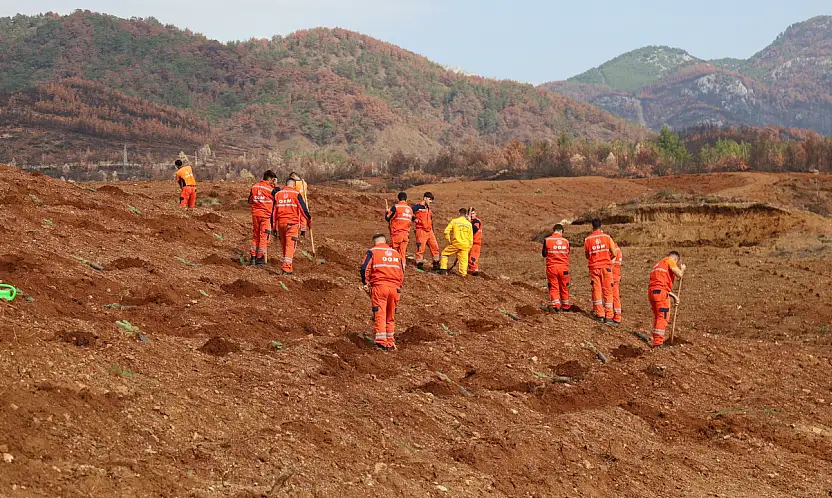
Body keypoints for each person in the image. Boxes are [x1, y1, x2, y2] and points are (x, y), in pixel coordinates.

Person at [360, 233, 404, 351]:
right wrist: (398, 285)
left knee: (380, 313)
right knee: (390, 315)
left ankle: (381, 342)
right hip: (395, 288)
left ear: (375, 242)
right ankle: (390, 341)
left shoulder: (372, 252)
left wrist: (365, 282)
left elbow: (364, 268)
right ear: (385, 241)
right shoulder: (396, 254)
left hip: (380, 287)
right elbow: (401, 272)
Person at [272, 177, 312, 275]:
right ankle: (286, 268)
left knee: (284, 245)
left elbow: (273, 212)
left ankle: (288, 267)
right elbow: (303, 210)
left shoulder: (278, 194)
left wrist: (273, 227)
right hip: (292, 224)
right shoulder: (296, 194)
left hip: (281, 224)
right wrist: (309, 221)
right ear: (294, 185)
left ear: (286, 184)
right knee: (290, 246)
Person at [648, 251, 686, 347]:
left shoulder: (658, 265)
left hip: (652, 292)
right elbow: (679, 274)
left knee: (658, 316)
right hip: (660, 293)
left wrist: (674, 297)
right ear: (675, 259)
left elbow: (660, 286)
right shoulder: (670, 260)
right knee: (663, 317)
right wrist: (682, 269)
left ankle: (656, 339)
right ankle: (658, 343)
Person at [584, 218, 617, 324]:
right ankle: (609, 317)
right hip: (606, 268)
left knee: (597, 291)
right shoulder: (607, 237)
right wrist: (607, 259)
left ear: (592, 226)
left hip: (594, 268)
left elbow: (587, 255)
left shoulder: (588, 239)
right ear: (600, 225)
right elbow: (614, 253)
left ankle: (600, 315)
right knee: (608, 291)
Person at [247, 170, 279, 265]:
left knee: (256, 236)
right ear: (269, 178)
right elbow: (279, 196)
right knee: (264, 236)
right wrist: (276, 185)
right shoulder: (270, 189)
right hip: (265, 216)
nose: (272, 182)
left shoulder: (254, 187)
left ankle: (253, 257)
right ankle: (260, 258)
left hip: (255, 215)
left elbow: (250, 200)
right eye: (272, 180)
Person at [542, 224, 571, 312]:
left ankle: (556, 306)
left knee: (553, 286)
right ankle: (566, 306)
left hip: (552, 268)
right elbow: (567, 253)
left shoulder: (547, 240)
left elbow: (544, 254)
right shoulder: (566, 241)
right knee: (564, 286)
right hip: (563, 268)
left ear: (554, 230)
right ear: (561, 231)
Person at [438, 208, 474, 277]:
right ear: (466, 214)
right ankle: (463, 275)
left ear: (459, 213)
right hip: (465, 245)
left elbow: (446, 232)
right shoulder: (469, 224)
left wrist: (449, 240)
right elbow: (470, 239)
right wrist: (468, 248)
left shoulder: (454, 221)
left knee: (444, 254)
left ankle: (443, 270)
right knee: (464, 261)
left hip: (456, 244)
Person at [411, 192, 440, 271]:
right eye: (429, 199)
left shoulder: (428, 208)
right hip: (421, 231)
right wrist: (415, 219)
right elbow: (408, 212)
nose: (430, 201)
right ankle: (419, 265)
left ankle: (436, 264)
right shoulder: (417, 207)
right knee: (421, 249)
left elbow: (430, 220)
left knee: (435, 247)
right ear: (425, 198)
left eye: (431, 200)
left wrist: (432, 230)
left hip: (429, 231)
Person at [385, 192, 413, 263]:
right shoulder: (410, 209)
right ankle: (402, 268)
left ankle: (393, 267)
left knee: (392, 253)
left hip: (397, 234)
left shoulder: (396, 207)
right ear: (406, 199)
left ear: (398, 199)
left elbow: (387, 218)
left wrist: (387, 212)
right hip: (406, 235)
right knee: (402, 254)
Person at [289, 172, 310, 238]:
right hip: (303, 202)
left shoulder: (295, 184)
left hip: (296, 202)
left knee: (296, 216)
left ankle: (296, 230)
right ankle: (303, 231)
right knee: (303, 216)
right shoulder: (304, 183)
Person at [611, 240, 624, 324]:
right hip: (616, 274)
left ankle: (616, 316)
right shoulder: (618, 249)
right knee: (615, 295)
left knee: (613, 295)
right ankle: (616, 315)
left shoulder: (614, 249)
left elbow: (612, 262)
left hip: (612, 275)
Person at [469, 208, 483, 276]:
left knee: (472, 259)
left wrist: (469, 222)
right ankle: (472, 271)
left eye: (473, 213)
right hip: (471, 243)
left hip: (475, 243)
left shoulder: (476, 221)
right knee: (469, 258)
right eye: (471, 214)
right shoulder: (471, 221)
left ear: (475, 214)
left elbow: (474, 229)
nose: (472, 215)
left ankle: (475, 272)